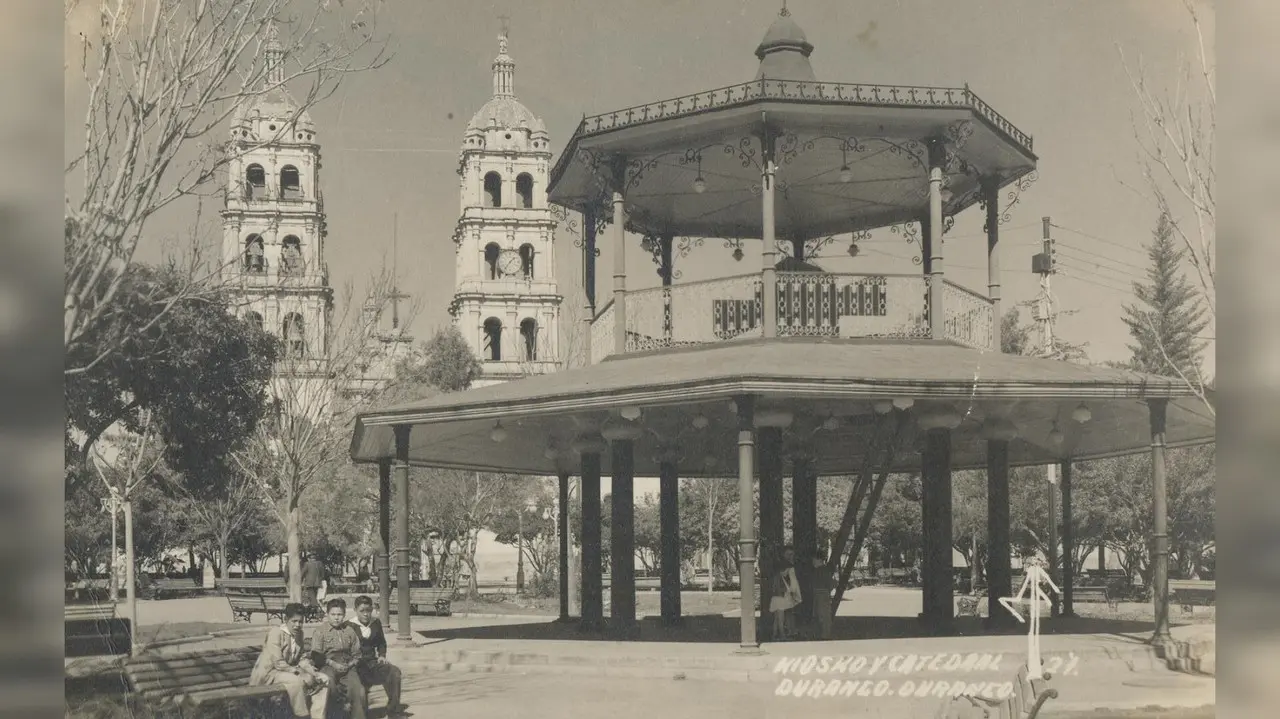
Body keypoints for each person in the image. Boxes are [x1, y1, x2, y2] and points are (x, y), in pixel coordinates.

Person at [249, 602, 329, 719]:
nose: (297, 625)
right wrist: (299, 672)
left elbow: (301, 659)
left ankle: (318, 716)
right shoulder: (276, 633)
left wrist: (312, 672)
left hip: (286, 672)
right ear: (286, 619)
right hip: (269, 673)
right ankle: (302, 715)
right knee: (297, 682)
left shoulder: (299, 634)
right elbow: (279, 663)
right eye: (294, 621)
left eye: (300, 621)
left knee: (323, 679)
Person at [312, 598, 370, 719]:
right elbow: (316, 655)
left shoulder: (349, 631)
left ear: (344, 615)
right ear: (327, 614)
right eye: (333, 614)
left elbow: (357, 654)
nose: (336, 618)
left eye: (339, 614)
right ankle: (336, 714)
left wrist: (350, 664)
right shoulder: (320, 631)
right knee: (329, 685)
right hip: (328, 665)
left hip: (348, 666)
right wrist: (332, 664)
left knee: (359, 690)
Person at [350, 595, 406, 717]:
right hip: (357, 666)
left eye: (369, 611)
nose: (366, 614)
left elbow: (381, 642)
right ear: (355, 610)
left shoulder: (375, 623)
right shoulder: (349, 625)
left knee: (394, 672)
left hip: (373, 663)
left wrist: (381, 655)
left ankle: (394, 709)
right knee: (361, 710)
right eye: (362, 611)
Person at [769, 546, 802, 641]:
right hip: (783, 594)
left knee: (776, 617)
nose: (791, 556)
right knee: (781, 616)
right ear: (784, 554)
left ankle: (774, 635)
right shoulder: (790, 567)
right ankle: (782, 636)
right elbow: (793, 582)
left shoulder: (777, 565)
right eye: (789, 554)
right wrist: (794, 593)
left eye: (792, 554)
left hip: (776, 593)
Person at [810, 554, 835, 640]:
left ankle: (825, 635)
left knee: (823, 615)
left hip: (822, 593)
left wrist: (826, 592)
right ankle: (822, 634)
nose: (813, 562)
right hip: (819, 593)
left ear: (819, 560)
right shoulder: (819, 570)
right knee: (820, 614)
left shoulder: (823, 570)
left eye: (814, 560)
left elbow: (831, 583)